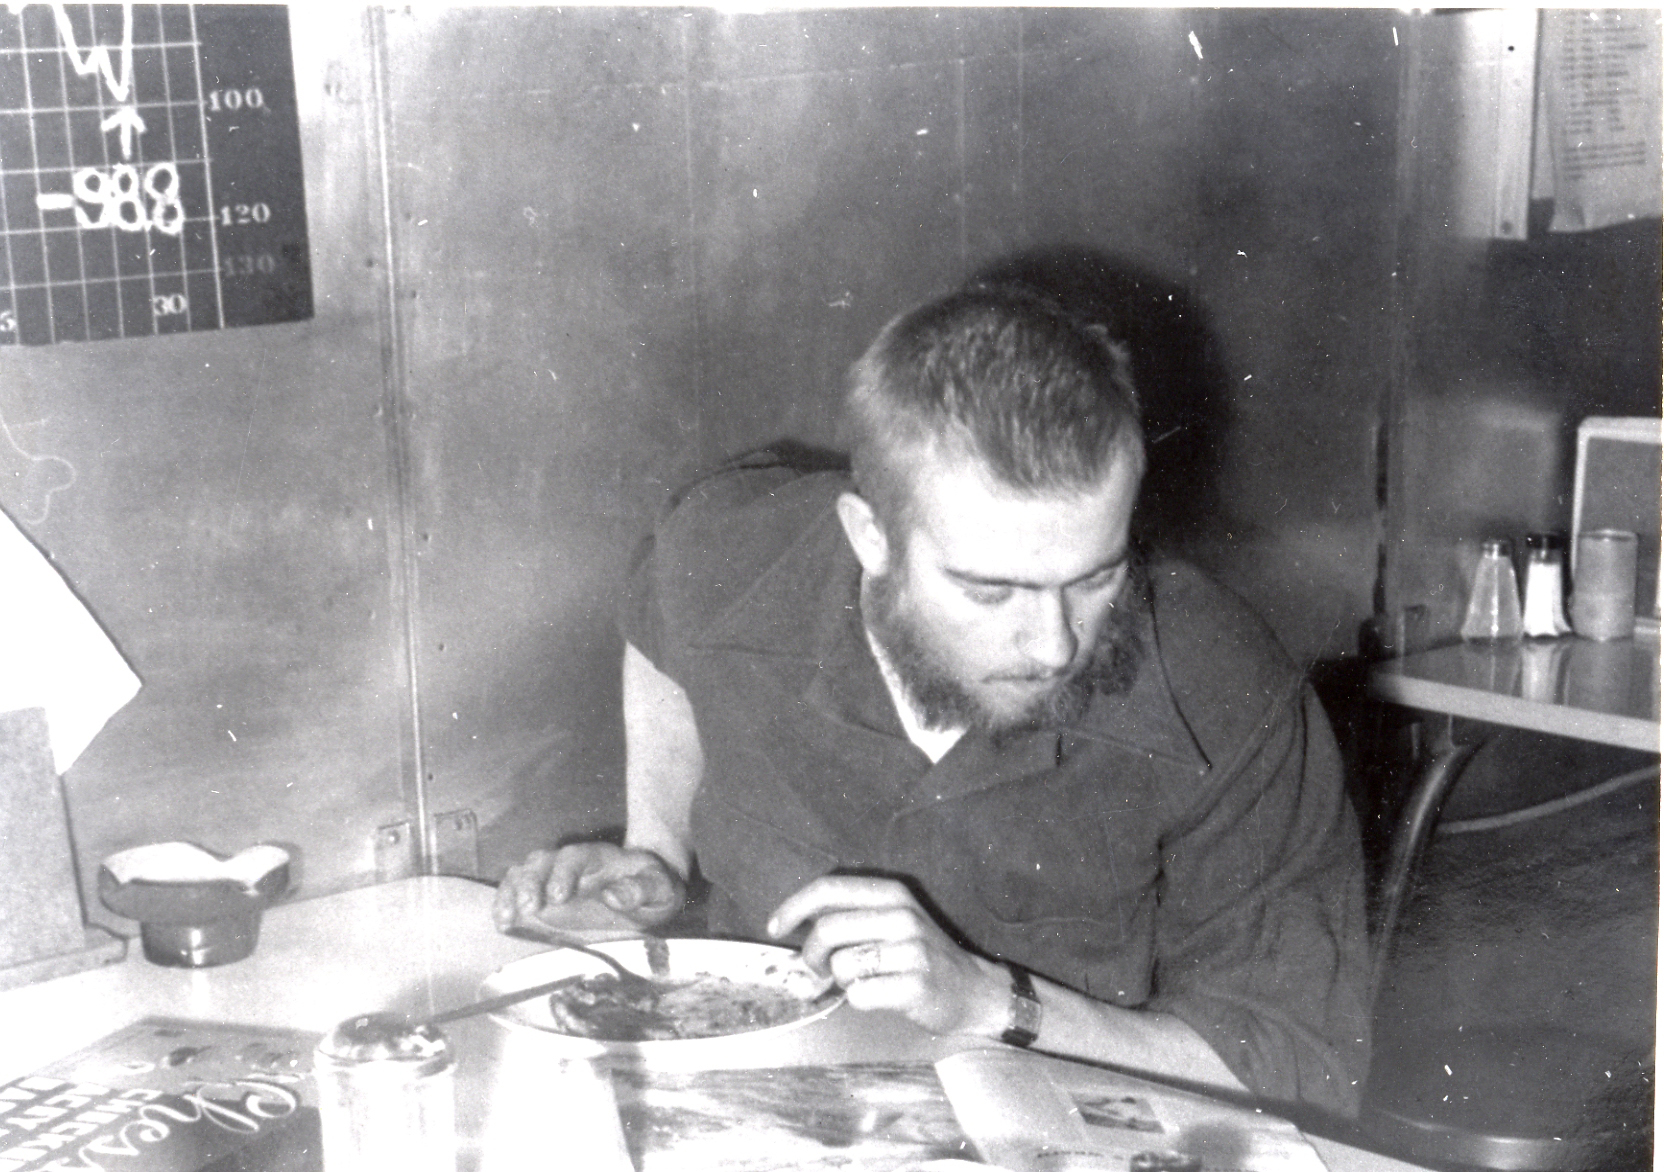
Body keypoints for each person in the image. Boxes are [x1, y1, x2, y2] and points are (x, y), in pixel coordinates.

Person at [495, 285, 1370, 1116]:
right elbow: (659, 619)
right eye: (991, 592)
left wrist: (994, 1003)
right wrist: (657, 848)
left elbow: (1296, 1070)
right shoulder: (737, 549)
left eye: (1096, 577)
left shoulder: (1227, 689)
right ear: (870, 537)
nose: (1054, 644)